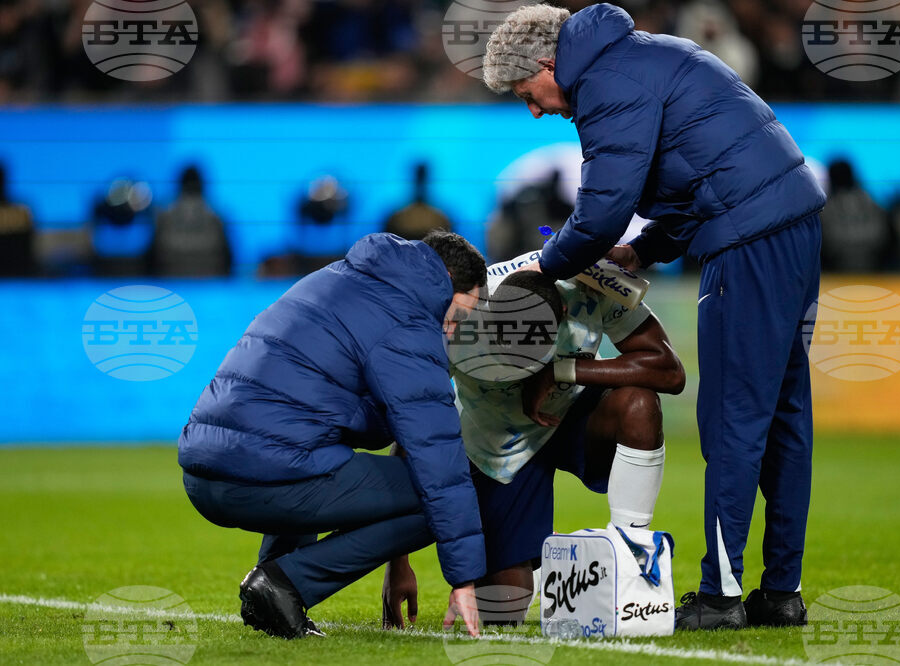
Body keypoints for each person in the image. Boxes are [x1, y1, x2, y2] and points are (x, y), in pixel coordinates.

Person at [483, 3, 826, 630]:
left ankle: (722, 598)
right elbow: (702, 176)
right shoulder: (639, 55)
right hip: (791, 224)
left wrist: (543, 272)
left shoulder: (604, 83)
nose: (533, 110)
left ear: (545, 63)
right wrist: (642, 252)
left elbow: (602, 208)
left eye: (526, 94)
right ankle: (781, 590)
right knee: (783, 416)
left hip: (746, 241)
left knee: (733, 419)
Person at [178, 231, 487, 639]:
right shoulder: (410, 319)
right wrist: (464, 581)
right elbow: (439, 461)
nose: (453, 333)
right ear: (446, 279)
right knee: (431, 499)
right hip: (258, 476)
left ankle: (272, 590)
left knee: (311, 446)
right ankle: (285, 583)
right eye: (461, 316)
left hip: (204, 473)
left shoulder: (337, 279)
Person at [382, 255, 685, 627]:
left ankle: (631, 551)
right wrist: (397, 564)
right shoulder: (457, 315)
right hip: (499, 449)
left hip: (574, 416)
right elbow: (412, 424)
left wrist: (561, 370)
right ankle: (546, 564)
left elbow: (670, 371)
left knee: (638, 403)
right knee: (503, 611)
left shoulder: (590, 284)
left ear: (562, 310)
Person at [150, 166, 232, 277]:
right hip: (210, 284)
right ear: (202, 185)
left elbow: (151, 257)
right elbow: (228, 259)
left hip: (171, 282)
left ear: (179, 185)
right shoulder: (215, 215)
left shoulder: (164, 214)